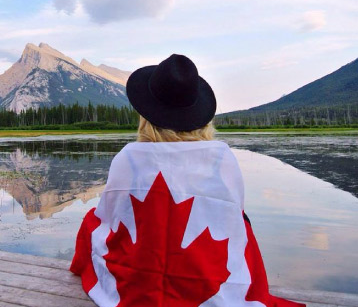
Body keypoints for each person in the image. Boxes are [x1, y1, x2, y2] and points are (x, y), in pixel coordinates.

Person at [70, 54, 304, 307]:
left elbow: (110, 217)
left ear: (146, 116)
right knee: (243, 224)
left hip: (139, 276)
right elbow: (233, 217)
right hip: (205, 277)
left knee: (92, 220)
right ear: (198, 116)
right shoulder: (222, 157)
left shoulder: (129, 157)